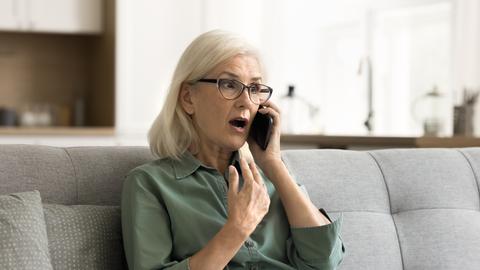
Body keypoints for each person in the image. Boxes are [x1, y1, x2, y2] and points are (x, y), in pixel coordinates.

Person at [121, 30, 345, 270]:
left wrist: (274, 165)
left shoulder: (272, 177)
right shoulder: (150, 184)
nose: (246, 101)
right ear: (188, 98)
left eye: (255, 88)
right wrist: (237, 229)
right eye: (229, 84)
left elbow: (325, 262)